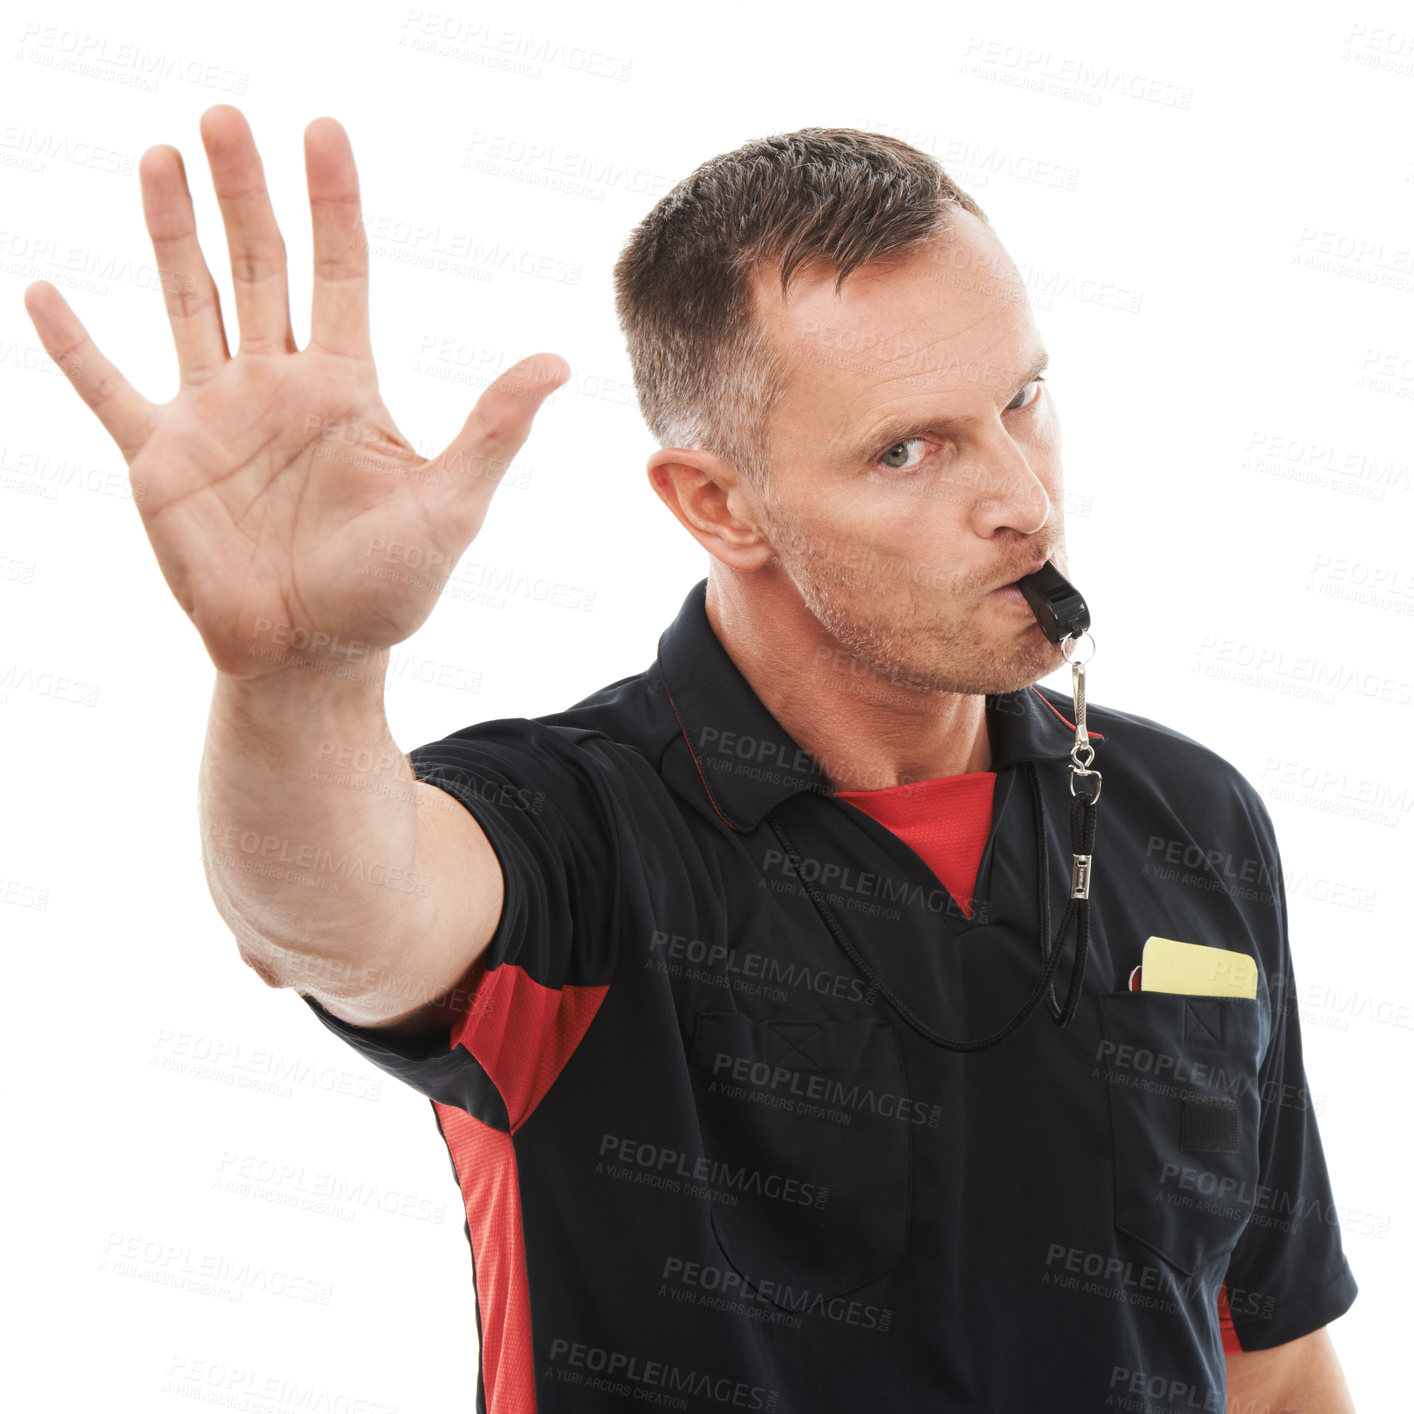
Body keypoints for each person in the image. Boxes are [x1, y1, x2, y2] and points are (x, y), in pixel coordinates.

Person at [26, 105, 1358, 1413]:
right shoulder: (575, 835)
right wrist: (300, 675)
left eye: (1021, 398)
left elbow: (1272, 1362)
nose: (1021, 496)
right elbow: (332, 916)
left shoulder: (1190, 814)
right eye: (907, 448)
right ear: (716, 505)